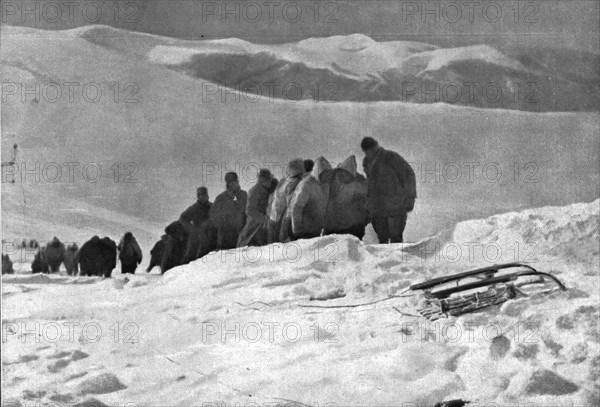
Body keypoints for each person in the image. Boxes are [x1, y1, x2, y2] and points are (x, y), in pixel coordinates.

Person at [361, 137, 416, 243]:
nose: (371, 151)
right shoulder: (367, 164)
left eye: (373, 147)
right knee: (382, 240)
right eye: (368, 149)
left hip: (395, 206)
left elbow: (409, 174)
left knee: (396, 239)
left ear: (376, 145)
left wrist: (410, 197)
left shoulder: (391, 157)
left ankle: (398, 259)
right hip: (377, 210)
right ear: (365, 151)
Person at [324, 155, 369, 239]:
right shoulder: (360, 181)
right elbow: (367, 204)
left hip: (340, 227)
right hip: (349, 228)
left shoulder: (331, 178)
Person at [288, 156, 333, 240]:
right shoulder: (306, 185)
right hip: (303, 232)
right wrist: (297, 229)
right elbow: (296, 207)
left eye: (329, 174)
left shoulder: (326, 186)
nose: (328, 177)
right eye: (325, 174)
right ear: (319, 172)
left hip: (316, 230)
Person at [266, 159, 306, 243]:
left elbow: (272, 199)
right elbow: (291, 207)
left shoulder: (283, 181)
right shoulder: (295, 183)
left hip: (273, 218)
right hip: (280, 220)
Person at [237, 169, 278, 247]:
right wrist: (265, 219)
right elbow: (250, 210)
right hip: (256, 224)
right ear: (260, 181)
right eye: (263, 180)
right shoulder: (254, 191)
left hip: (273, 221)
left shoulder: (275, 186)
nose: (267, 182)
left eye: (268, 179)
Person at [211, 172, 248, 250]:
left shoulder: (244, 195)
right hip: (227, 237)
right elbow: (213, 215)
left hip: (243, 235)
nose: (233, 184)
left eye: (235, 182)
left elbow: (249, 211)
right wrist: (223, 222)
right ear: (228, 184)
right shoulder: (221, 198)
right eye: (231, 183)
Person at [179, 186, 212, 263]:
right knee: (191, 254)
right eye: (201, 196)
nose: (203, 197)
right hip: (197, 234)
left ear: (207, 196)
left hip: (210, 233)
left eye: (204, 195)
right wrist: (191, 229)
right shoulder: (194, 208)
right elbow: (183, 218)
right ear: (198, 197)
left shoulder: (212, 206)